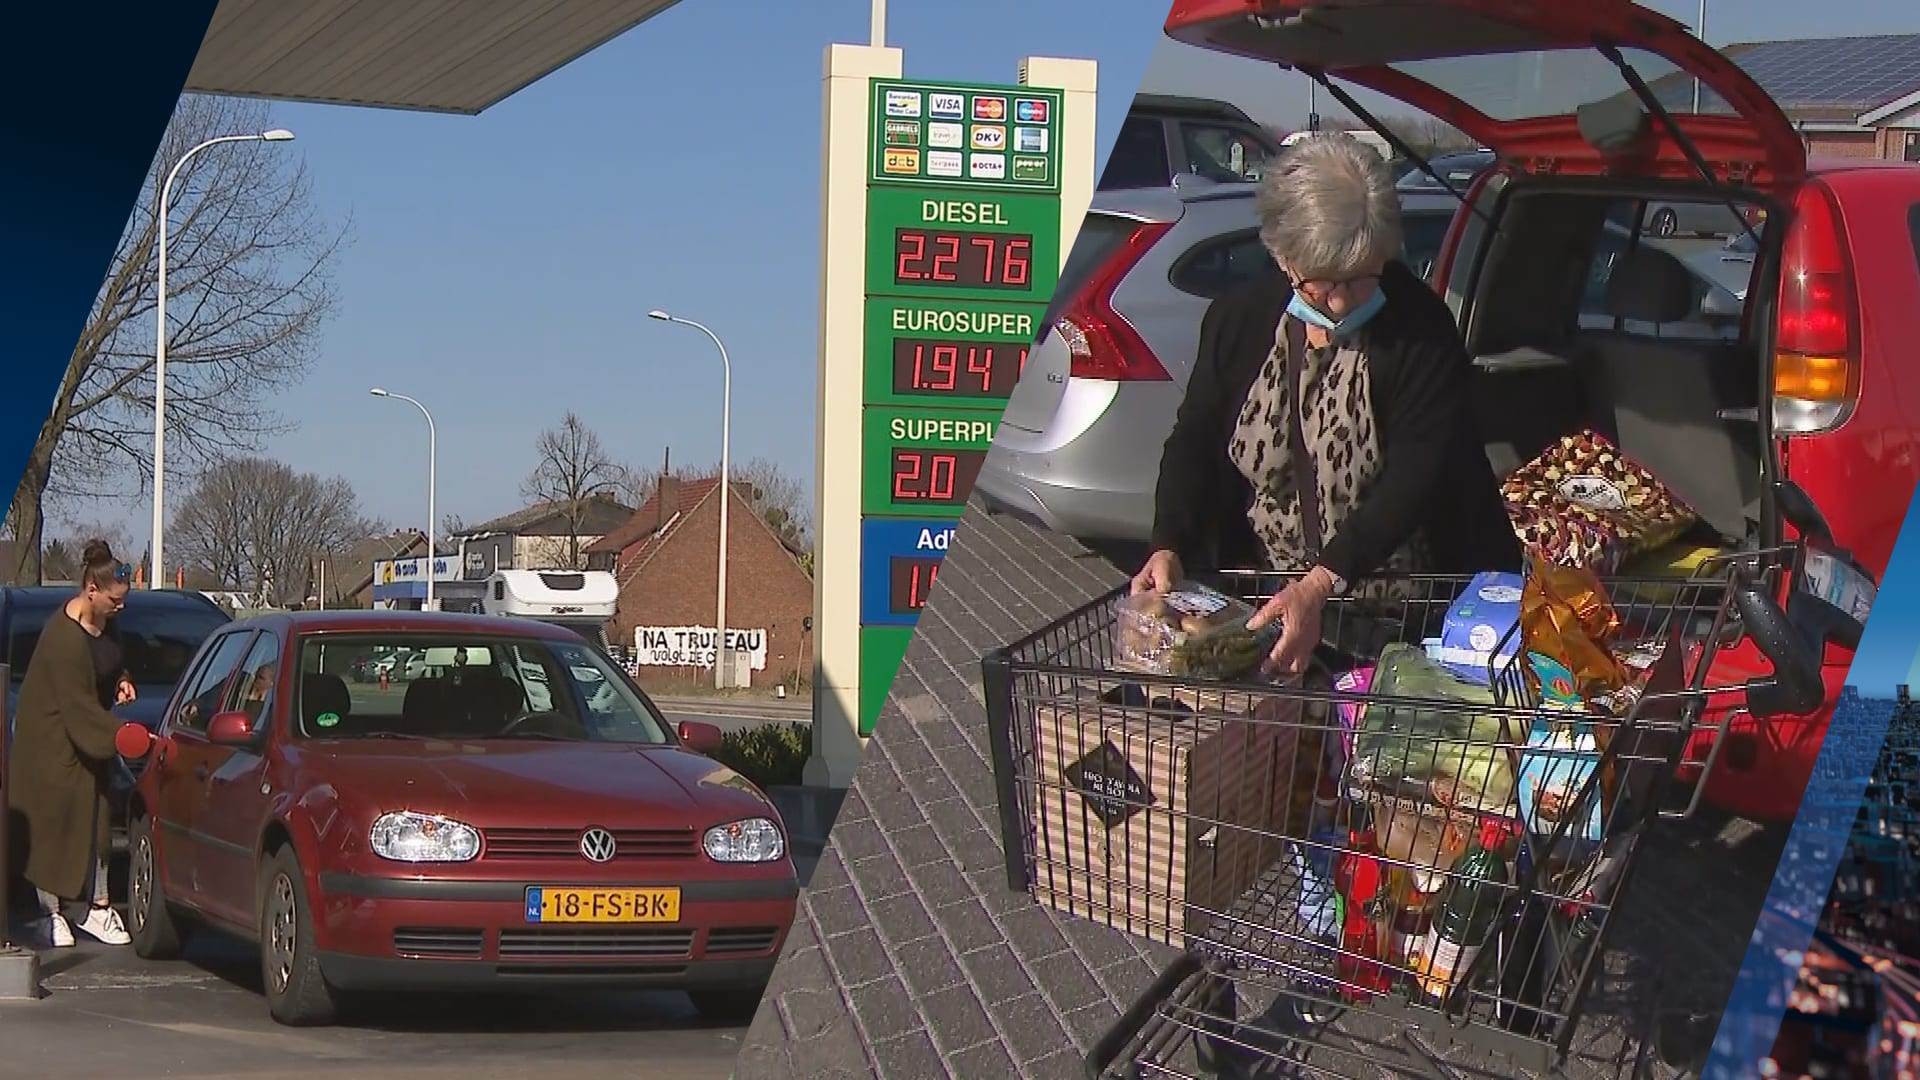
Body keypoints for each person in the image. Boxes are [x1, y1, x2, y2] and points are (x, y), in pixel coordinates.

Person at [1133, 134, 1521, 675]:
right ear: (1283, 258)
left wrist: (1321, 583)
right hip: (1273, 601)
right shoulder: (1239, 320)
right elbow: (1196, 438)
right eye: (1320, 285)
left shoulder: (1421, 331)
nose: (1340, 302)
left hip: (1405, 609)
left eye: (1361, 279)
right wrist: (1168, 541)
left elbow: (1414, 479)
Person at [7, 540, 137, 947]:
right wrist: (120, 737)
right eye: (115, 600)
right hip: (49, 737)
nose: (121, 607)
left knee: (98, 818)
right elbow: (77, 705)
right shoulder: (63, 639)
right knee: (53, 823)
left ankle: (99, 907)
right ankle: (51, 912)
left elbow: (112, 660)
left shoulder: (106, 622)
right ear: (92, 592)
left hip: (87, 733)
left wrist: (122, 680)